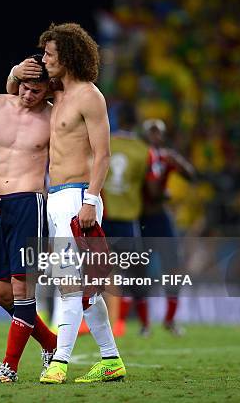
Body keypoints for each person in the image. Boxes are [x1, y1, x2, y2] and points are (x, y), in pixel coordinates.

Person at [7, 23, 126, 384]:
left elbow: (103, 155)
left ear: (69, 57)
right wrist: (14, 73)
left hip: (78, 197)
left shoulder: (89, 96)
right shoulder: (56, 92)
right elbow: (16, 93)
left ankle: (59, 362)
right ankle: (111, 359)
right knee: (86, 291)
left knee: (69, 285)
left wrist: (91, 200)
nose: (44, 61)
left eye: (50, 55)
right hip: (56, 198)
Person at [0, 55, 57, 383]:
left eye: (36, 90)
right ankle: (51, 343)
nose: (27, 94)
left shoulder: (52, 116)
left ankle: (9, 368)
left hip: (30, 205)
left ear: (48, 89)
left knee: (22, 287)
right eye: (24, 86)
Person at [139, 118, 195, 336]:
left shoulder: (166, 157)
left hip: (161, 220)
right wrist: (163, 194)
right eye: (151, 132)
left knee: (173, 270)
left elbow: (191, 175)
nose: (155, 136)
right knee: (139, 271)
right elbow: (152, 193)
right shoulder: (140, 157)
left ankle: (170, 320)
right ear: (144, 135)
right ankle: (144, 324)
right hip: (141, 218)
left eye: (158, 132)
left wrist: (178, 161)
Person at [100, 103, 150, 337]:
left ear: (117, 118)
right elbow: (146, 185)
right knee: (130, 269)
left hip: (105, 212)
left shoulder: (107, 142)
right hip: (128, 217)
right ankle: (122, 321)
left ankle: (110, 320)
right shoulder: (143, 150)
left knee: (104, 270)